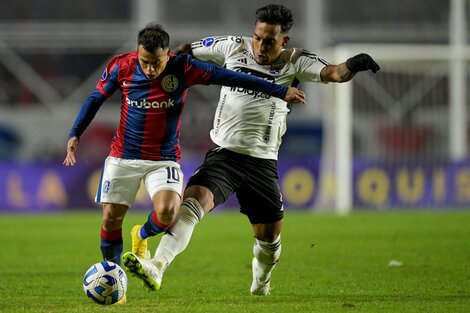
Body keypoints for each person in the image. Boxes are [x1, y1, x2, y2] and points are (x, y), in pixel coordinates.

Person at [123, 5, 380, 296]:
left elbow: (334, 73)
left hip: (261, 162)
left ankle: (261, 281)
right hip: (224, 155)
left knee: (268, 240)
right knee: (193, 203)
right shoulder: (233, 46)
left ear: (284, 41)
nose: (260, 45)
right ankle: (157, 265)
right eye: (257, 37)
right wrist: (165, 70)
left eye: (269, 40)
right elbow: (186, 49)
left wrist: (354, 64)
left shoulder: (296, 61)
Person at [63, 22, 305, 294]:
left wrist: (280, 90)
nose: (151, 69)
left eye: (157, 63)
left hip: (163, 158)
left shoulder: (184, 67)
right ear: (137, 53)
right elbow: (95, 98)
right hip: (123, 156)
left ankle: (142, 233)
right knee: (110, 220)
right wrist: (75, 134)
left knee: (168, 214)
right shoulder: (122, 66)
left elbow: (231, 77)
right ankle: (115, 281)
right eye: (145, 62)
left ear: (168, 54)